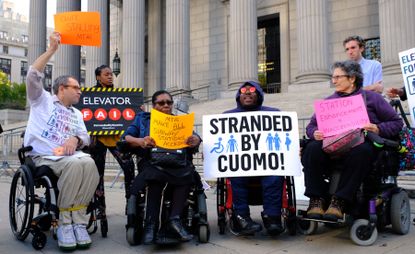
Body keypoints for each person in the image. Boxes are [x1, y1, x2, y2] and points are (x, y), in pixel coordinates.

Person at [24, 32, 99, 250]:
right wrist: (51, 50)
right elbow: (32, 75)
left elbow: (85, 136)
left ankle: (79, 220)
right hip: (43, 156)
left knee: (89, 164)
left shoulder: (76, 113)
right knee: (77, 164)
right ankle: (65, 223)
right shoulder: (42, 101)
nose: (80, 91)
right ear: (61, 89)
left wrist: (75, 138)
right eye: (75, 87)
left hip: (70, 155)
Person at [302, 60, 403, 221]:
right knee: (312, 148)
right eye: (332, 77)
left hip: (361, 146)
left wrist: (377, 128)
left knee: (362, 150)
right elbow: (311, 126)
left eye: (337, 77)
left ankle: (339, 202)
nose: (333, 81)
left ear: (352, 78)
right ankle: (316, 200)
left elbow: (397, 123)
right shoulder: (328, 102)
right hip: (333, 145)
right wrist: (315, 133)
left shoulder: (372, 98)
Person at [122, 90, 201, 244]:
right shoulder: (143, 119)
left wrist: (196, 139)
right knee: (155, 176)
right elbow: (127, 137)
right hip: (151, 161)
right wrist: (141, 141)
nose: (166, 105)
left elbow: (196, 137)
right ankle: (150, 225)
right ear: (153, 105)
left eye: (169, 102)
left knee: (187, 174)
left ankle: (174, 220)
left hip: (177, 162)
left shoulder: (178, 121)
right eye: (161, 103)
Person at [223, 81, 285, 236]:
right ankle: (242, 217)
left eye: (252, 91)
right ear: (239, 96)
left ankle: (272, 217)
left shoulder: (274, 113)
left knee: (275, 175)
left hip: (266, 163)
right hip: (240, 164)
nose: (248, 93)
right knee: (236, 174)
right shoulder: (227, 117)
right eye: (244, 90)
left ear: (259, 95)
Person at [88, 65, 135, 212]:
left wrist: (137, 110)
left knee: (129, 167)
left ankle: (131, 202)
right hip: (98, 141)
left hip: (117, 139)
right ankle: (100, 208)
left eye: (111, 74)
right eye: (106, 74)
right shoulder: (90, 95)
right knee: (98, 176)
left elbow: (128, 113)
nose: (110, 76)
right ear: (98, 77)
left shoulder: (120, 94)